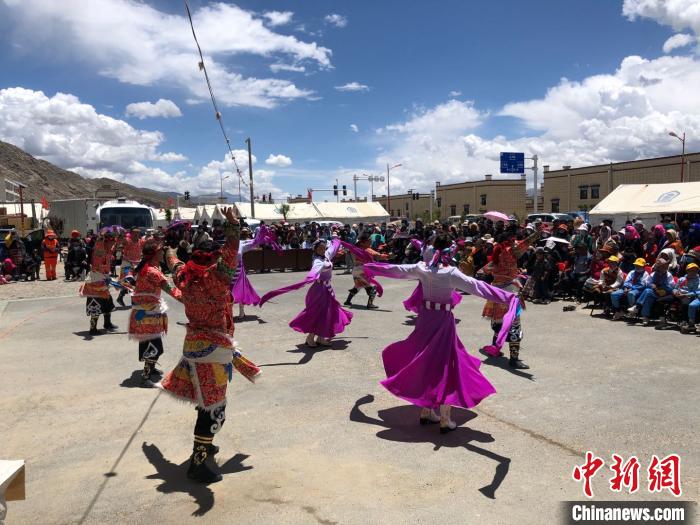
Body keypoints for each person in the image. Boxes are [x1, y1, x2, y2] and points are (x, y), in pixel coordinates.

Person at [363, 233, 521, 433]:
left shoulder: (422, 268)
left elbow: (396, 270)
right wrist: (507, 297)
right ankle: (445, 419)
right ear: (449, 249)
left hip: (425, 319)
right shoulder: (450, 273)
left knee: (426, 363)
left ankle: (426, 411)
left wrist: (370, 268)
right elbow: (478, 287)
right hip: (442, 321)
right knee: (447, 365)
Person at [159, 207, 260, 484]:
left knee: (207, 401)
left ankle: (205, 444)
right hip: (213, 351)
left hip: (195, 346)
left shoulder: (184, 277)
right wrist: (233, 226)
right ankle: (198, 461)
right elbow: (231, 251)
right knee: (214, 407)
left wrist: (169, 249)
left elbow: (173, 263)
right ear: (213, 260)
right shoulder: (217, 279)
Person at [259, 238, 353, 347]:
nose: (322, 250)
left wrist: (336, 240)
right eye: (320, 248)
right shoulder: (317, 261)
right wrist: (311, 276)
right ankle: (310, 337)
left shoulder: (326, 255)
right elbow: (314, 271)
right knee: (317, 313)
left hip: (327, 289)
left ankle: (321, 337)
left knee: (328, 312)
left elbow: (333, 248)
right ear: (315, 250)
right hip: (319, 290)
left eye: (323, 248)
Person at [479, 229, 539, 369]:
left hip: (495, 291)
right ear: (509, 241)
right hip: (508, 292)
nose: (515, 242)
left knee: (498, 322)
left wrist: (502, 273)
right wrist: (537, 233)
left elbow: (483, 270)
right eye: (513, 240)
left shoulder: (497, 252)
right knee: (514, 325)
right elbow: (525, 244)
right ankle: (514, 359)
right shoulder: (510, 251)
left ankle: (495, 348)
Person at [128, 239, 182, 381]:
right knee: (153, 344)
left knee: (149, 341)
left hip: (143, 312)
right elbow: (171, 290)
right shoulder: (153, 272)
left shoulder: (146, 268)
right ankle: (146, 375)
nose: (162, 253)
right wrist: (188, 299)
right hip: (149, 313)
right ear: (154, 254)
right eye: (160, 251)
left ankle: (150, 368)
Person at [80, 228, 118, 335]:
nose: (113, 244)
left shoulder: (108, 249)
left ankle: (107, 323)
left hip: (103, 279)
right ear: (106, 241)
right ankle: (93, 328)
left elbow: (113, 248)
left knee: (107, 302)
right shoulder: (99, 248)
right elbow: (97, 262)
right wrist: (101, 236)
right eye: (111, 242)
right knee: (95, 304)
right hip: (95, 280)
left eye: (113, 242)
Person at [343, 234, 390, 309]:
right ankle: (370, 304)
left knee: (358, 286)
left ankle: (347, 301)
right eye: (369, 241)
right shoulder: (367, 250)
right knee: (372, 288)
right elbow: (378, 256)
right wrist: (388, 256)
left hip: (356, 270)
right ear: (363, 243)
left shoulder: (356, 249)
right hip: (362, 271)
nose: (370, 243)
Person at [629, 255, 675, 326]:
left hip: (664, 294)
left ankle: (637, 307)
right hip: (654, 292)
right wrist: (652, 285)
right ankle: (645, 317)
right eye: (661, 266)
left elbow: (671, 287)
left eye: (664, 266)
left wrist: (661, 286)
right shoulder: (654, 274)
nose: (663, 268)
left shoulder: (668, 275)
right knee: (648, 294)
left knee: (647, 292)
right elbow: (647, 283)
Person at [117, 227, 144, 307]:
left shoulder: (141, 241)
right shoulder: (127, 240)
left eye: (138, 233)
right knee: (129, 280)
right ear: (131, 233)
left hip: (137, 264)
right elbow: (119, 242)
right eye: (135, 233)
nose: (137, 234)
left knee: (135, 283)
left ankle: (121, 297)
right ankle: (133, 302)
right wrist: (120, 237)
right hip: (127, 263)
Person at [675, 263, 700, 334]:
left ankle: (688, 322)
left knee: (688, 303)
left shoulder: (698, 280)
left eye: (695, 270)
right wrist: (675, 292)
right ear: (687, 271)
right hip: (680, 295)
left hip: (691, 296)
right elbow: (675, 288)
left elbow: (697, 292)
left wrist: (686, 295)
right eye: (691, 270)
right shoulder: (682, 279)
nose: (693, 272)